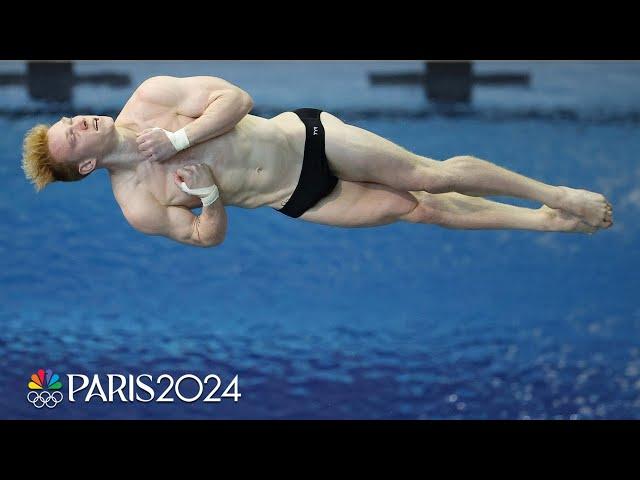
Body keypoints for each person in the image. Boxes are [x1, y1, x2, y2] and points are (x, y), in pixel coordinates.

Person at [22, 75, 613, 248]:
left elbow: (238, 101)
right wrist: (206, 195)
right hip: (296, 197)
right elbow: (203, 238)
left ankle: (557, 194)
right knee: (417, 210)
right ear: (86, 168)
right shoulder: (137, 204)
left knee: (432, 175)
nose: (77, 124)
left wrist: (178, 143)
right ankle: (542, 222)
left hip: (307, 140)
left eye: (69, 121)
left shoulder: (151, 97)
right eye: (72, 139)